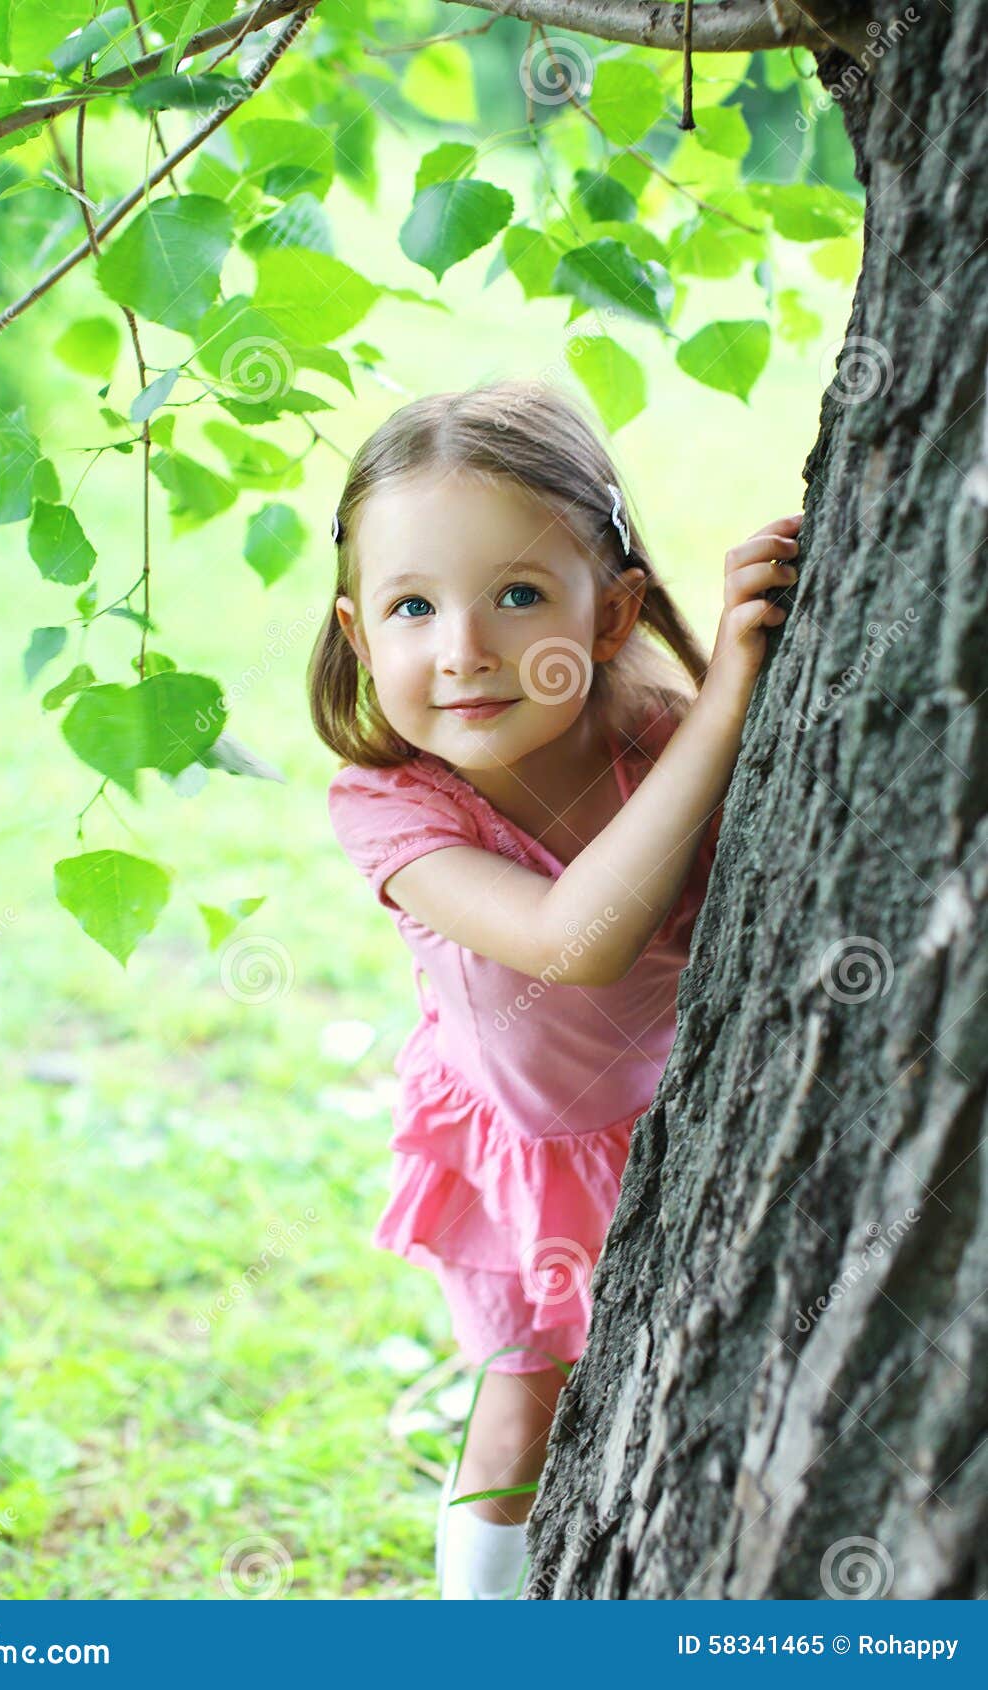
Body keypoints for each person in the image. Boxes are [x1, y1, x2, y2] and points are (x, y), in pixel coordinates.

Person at [306, 379, 802, 1599]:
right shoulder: (395, 807)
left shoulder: (648, 730)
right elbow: (572, 939)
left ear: (611, 608)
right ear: (361, 635)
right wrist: (729, 701)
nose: (464, 649)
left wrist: (699, 714)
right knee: (526, 1409)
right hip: (535, 1156)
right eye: (413, 606)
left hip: (702, 1126)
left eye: (517, 595)